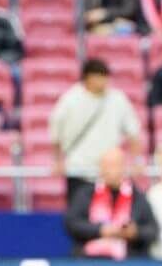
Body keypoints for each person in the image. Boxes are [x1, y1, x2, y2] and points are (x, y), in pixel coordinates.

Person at [49, 59, 142, 196]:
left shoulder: (118, 99)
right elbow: (56, 132)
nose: (103, 82)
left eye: (105, 77)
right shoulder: (70, 99)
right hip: (78, 170)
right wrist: (57, 160)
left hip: (110, 173)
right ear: (87, 78)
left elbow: (133, 132)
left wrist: (137, 160)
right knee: (78, 215)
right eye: (98, 77)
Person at [64, 146, 159, 259]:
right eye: (106, 165)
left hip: (127, 260)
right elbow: (72, 223)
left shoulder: (137, 197)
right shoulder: (86, 194)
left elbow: (152, 230)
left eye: (114, 165)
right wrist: (100, 230)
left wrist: (135, 233)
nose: (109, 170)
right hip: (89, 260)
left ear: (123, 167)